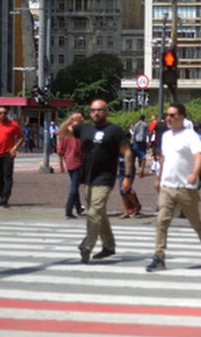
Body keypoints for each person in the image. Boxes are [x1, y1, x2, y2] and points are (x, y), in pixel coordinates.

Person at [147, 103, 201, 272]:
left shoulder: (191, 136)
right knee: (161, 221)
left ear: (182, 117)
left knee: (196, 223)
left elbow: (198, 157)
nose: (168, 118)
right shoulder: (166, 136)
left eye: (172, 115)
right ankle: (159, 256)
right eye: (167, 115)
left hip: (186, 188)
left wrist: (194, 174)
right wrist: (159, 177)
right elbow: (164, 159)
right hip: (167, 187)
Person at [60, 100, 126, 264]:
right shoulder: (84, 128)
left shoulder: (115, 131)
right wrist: (69, 120)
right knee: (99, 212)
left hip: (106, 177)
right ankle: (109, 246)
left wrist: (128, 175)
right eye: (93, 110)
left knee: (94, 211)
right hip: (89, 176)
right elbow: (62, 133)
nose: (96, 113)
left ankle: (87, 245)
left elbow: (128, 153)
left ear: (106, 112)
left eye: (100, 110)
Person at [0, 107, 22, 208]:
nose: (3, 115)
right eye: (0, 113)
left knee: (8, 175)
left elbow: (20, 137)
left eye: (5, 113)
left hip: (7, 154)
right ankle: (1, 195)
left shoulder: (13, 125)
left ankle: (5, 197)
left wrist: (14, 149)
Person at [57, 111, 85, 219]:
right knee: (74, 186)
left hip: (68, 162)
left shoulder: (65, 131)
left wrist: (61, 165)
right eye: (81, 117)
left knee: (75, 185)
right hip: (78, 162)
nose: (83, 118)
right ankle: (68, 210)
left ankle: (78, 207)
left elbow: (60, 150)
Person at [118, 131, 142, 219]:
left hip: (129, 172)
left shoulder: (133, 148)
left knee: (126, 190)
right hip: (121, 171)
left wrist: (142, 169)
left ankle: (136, 205)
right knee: (122, 192)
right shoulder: (120, 148)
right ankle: (126, 211)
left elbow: (142, 157)